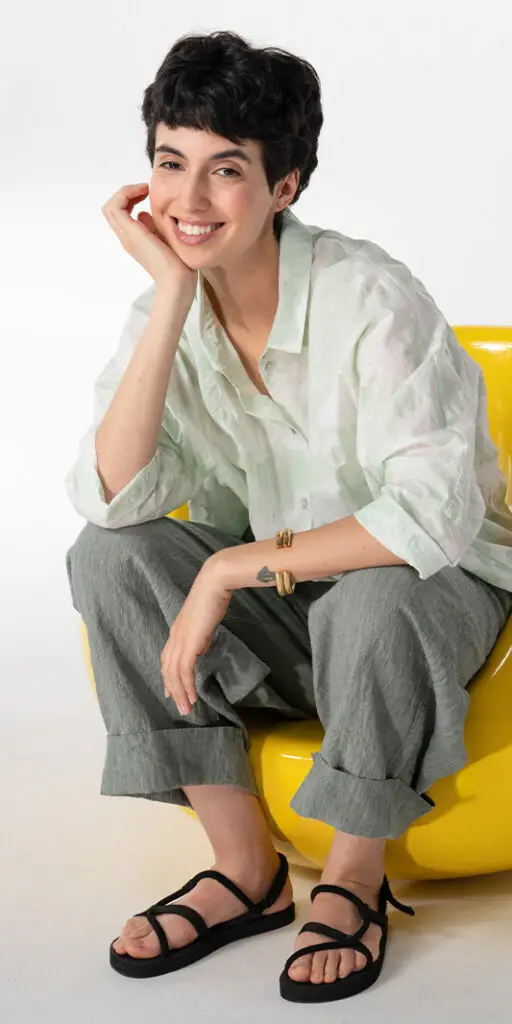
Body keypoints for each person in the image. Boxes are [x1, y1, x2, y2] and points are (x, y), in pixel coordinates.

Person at [64, 28, 512, 1003]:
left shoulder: (370, 298)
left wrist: (227, 570)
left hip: (426, 594)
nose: (186, 200)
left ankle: (354, 878)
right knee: (107, 556)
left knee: (370, 598)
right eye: (168, 163)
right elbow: (112, 497)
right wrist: (172, 295)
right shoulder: (168, 311)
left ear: (284, 187)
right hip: (292, 606)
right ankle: (245, 868)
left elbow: (425, 519)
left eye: (225, 170)